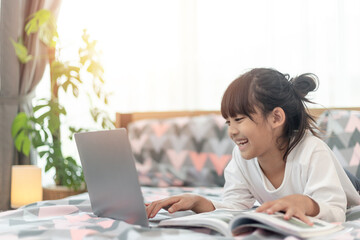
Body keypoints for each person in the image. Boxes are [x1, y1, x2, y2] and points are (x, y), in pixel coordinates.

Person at [145, 68, 360, 224]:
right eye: (228, 122)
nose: (231, 131)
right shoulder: (241, 158)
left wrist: (304, 202)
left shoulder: (312, 151)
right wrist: (197, 202)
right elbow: (234, 205)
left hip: (351, 189)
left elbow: (335, 210)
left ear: (276, 118)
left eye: (239, 119)